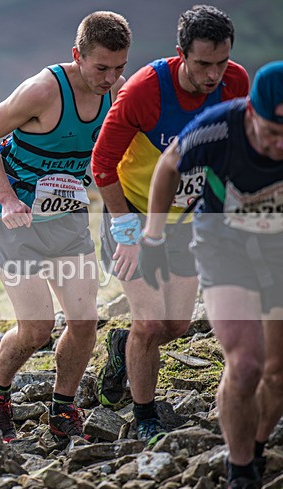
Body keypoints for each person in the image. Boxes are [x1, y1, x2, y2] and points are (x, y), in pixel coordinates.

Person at [91, 4, 249, 446]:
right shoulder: (145, 91)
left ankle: (122, 346)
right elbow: (102, 164)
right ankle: (145, 416)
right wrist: (127, 233)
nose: (214, 74)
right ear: (181, 54)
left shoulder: (236, 81)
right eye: (202, 64)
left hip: (189, 218)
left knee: (175, 325)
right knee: (149, 322)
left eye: (221, 62)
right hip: (134, 211)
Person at [0, 11, 131, 443]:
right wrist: (6, 198)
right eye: (101, 67)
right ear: (77, 55)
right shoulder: (43, 91)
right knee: (36, 329)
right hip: (14, 223)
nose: (110, 78)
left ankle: (63, 406)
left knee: (84, 321)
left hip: (66, 219)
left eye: (119, 68)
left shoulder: (115, 93)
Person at [140, 61, 283, 489]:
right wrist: (153, 237)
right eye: (271, 132)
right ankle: (239, 477)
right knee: (244, 365)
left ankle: (255, 454)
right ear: (250, 113)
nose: (279, 146)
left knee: (278, 376)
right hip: (225, 247)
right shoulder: (219, 127)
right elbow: (167, 167)